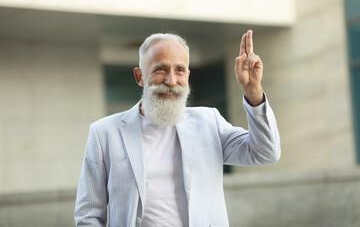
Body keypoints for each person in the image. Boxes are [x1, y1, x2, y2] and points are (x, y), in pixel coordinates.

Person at [74, 30, 281, 227]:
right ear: (139, 77)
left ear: (187, 76)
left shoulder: (209, 121)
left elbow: (265, 153)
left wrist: (254, 92)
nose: (171, 81)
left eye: (179, 70)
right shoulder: (104, 133)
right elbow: (89, 215)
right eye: (160, 69)